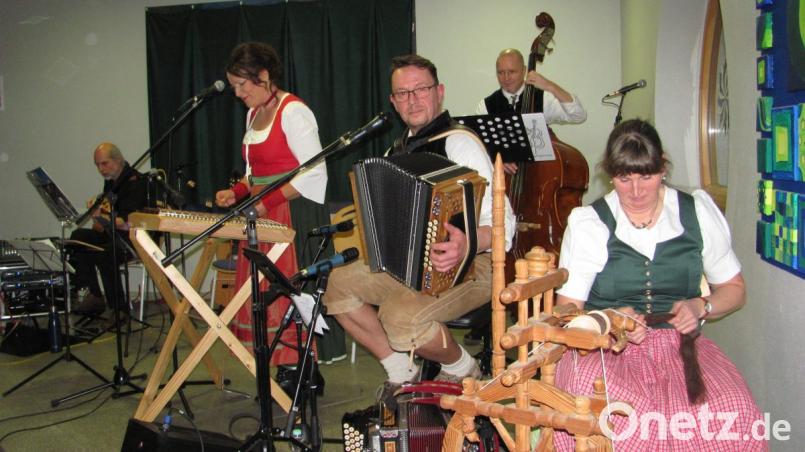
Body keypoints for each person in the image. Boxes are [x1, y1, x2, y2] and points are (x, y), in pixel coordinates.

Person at [553, 119, 765, 450]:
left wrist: (701, 306)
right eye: (625, 178)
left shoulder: (696, 211)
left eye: (646, 177)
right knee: (628, 424)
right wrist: (611, 321)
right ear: (611, 174)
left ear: (662, 167)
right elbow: (566, 313)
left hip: (680, 349)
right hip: (604, 351)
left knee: (732, 413)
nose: (636, 191)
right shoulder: (589, 223)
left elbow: (736, 290)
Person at [323, 54, 516, 401]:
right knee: (338, 285)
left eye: (420, 89)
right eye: (402, 93)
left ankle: (464, 369)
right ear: (393, 102)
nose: (412, 100)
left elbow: (507, 226)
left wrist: (468, 242)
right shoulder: (396, 149)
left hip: (474, 264)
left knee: (399, 318)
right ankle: (402, 369)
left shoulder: (460, 143)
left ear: (439, 92)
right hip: (410, 267)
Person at [214, 42, 329, 368]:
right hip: (261, 213)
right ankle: (275, 365)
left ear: (263, 76)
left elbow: (314, 172)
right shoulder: (253, 114)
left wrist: (267, 203)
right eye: (234, 85)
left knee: (285, 291)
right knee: (262, 294)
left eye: (242, 84)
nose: (237, 93)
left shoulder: (293, 111)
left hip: (288, 214)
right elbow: (255, 175)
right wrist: (236, 192)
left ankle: (299, 369)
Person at [69, 142, 148, 314]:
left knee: (105, 254)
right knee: (77, 238)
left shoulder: (136, 181)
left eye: (104, 163)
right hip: (113, 235)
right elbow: (104, 222)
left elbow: (130, 221)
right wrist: (99, 218)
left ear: (118, 160)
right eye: (97, 165)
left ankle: (119, 309)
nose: (100, 169)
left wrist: (104, 218)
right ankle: (94, 296)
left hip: (132, 239)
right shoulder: (111, 182)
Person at [475, 48, 586, 124]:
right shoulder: (485, 106)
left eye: (512, 72)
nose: (506, 78)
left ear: (524, 71)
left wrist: (550, 86)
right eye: (501, 72)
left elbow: (579, 116)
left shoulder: (543, 99)